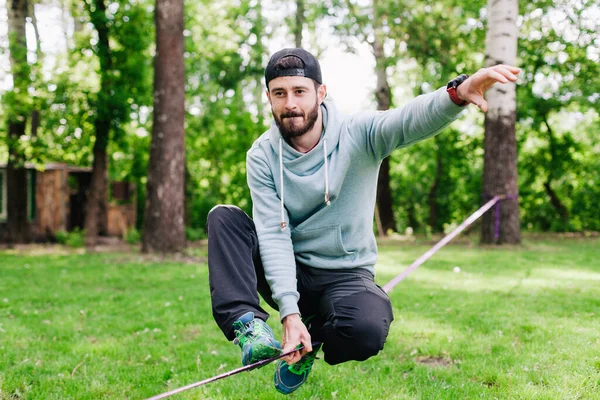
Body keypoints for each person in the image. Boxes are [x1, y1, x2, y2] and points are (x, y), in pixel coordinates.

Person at [206, 48, 520, 394]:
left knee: (366, 329)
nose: (290, 103)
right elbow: (272, 234)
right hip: (289, 266)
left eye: (299, 91)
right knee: (225, 217)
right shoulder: (263, 156)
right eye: (279, 93)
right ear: (268, 98)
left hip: (344, 273)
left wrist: (457, 94)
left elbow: (406, 120)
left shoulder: (357, 133)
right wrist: (289, 313)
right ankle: (248, 326)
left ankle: (313, 338)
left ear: (320, 93)